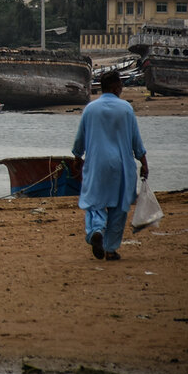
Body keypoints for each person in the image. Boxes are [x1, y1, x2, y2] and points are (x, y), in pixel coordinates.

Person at [72, 70, 148, 261]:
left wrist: (76, 158)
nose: (121, 88)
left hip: (96, 164)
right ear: (115, 87)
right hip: (122, 165)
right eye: (120, 85)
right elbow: (136, 141)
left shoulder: (90, 109)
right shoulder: (126, 109)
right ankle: (111, 249)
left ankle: (96, 231)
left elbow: (80, 139)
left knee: (94, 203)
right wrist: (144, 163)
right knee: (119, 208)